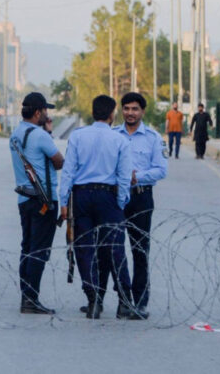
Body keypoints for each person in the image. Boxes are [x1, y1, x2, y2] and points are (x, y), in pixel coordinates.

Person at [59, 95, 139, 320]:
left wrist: (64, 202)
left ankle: (93, 299)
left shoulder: (78, 136)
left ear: (93, 112)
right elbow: (124, 177)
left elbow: (68, 172)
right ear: (112, 114)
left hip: (81, 195)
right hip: (108, 197)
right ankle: (124, 301)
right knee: (115, 249)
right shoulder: (120, 140)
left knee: (84, 249)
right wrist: (120, 203)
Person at [96, 92, 167, 319]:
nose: (130, 113)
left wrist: (138, 176)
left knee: (139, 251)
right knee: (109, 250)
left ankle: (139, 302)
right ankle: (98, 298)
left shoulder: (153, 138)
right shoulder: (112, 135)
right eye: (126, 108)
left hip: (140, 198)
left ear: (142, 112)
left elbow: (161, 169)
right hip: (115, 198)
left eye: (135, 109)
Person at [9, 92, 64, 314]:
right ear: (38, 112)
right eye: (46, 111)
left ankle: (26, 295)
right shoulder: (41, 136)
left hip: (25, 198)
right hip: (44, 201)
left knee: (28, 248)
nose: (47, 115)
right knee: (39, 251)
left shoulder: (16, 134)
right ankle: (31, 300)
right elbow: (59, 161)